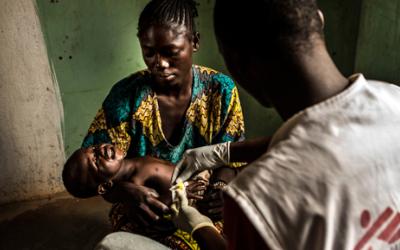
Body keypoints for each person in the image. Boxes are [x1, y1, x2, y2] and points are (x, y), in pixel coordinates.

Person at [170, 0, 400, 249]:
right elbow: (329, 134)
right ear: (319, 21)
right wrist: (222, 152)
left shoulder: (258, 200)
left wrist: (198, 226)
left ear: (239, 66)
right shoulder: (394, 100)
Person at [66, 0, 245, 248]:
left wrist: (221, 188)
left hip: (201, 201)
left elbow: (230, 156)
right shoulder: (126, 96)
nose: (159, 63)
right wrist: (128, 194)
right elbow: (92, 178)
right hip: (141, 208)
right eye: (149, 52)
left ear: (194, 42)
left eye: (170, 52)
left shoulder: (220, 90)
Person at [62, 143, 222, 245]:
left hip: (196, 179)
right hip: (190, 199)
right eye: (96, 160)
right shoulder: (136, 186)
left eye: (94, 148)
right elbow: (158, 208)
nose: (101, 149)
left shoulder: (131, 166)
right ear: (103, 186)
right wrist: (180, 193)